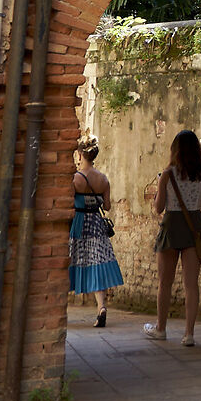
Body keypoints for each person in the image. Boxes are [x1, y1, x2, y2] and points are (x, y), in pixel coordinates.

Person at [145, 128, 201, 348]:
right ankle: (189, 334)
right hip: (194, 227)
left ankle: (161, 329)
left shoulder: (168, 174)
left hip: (172, 226)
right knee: (191, 284)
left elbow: (158, 207)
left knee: (165, 282)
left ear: (176, 150)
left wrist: (158, 191)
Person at [68, 137, 124, 328]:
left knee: (71, 261)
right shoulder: (103, 179)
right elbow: (107, 206)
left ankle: (58, 308)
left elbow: (68, 204)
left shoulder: (75, 179)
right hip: (96, 225)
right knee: (98, 262)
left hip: (79, 224)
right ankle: (101, 307)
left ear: (80, 154)